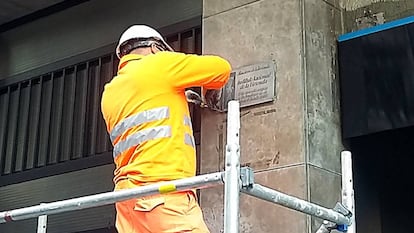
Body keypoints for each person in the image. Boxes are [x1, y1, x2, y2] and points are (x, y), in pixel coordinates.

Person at [100, 24, 231, 233]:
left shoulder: (110, 91)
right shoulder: (158, 64)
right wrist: (208, 91)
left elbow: (146, 115)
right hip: (163, 194)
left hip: (127, 201)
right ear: (154, 48)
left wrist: (177, 95)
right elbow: (220, 69)